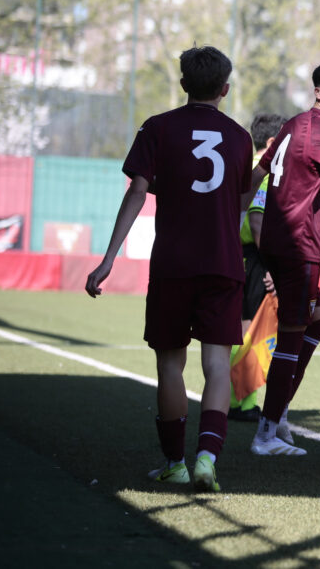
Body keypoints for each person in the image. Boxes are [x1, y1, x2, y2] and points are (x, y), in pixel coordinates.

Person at [85, 46, 252, 493]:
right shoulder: (239, 137)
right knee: (217, 365)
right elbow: (237, 204)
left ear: (183, 85)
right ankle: (207, 460)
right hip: (223, 263)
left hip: (174, 264)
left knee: (170, 365)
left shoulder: (157, 128)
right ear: (225, 89)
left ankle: (175, 462)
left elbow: (137, 192)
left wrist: (108, 258)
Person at [249, 62, 320, 456]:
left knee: (317, 322)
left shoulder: (292, 124)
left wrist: (235, 216)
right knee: (293, 335)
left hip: (278, 241)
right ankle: (266, 432)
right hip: (299, 245)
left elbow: (258, 174)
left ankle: (277, 414)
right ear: (317, 90)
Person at [230, 113, 288, 421]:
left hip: (237, 254)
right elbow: (257, 221)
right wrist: (272, 266)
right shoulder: (264, 172)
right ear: (271, 143)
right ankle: (243, 401)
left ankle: (234, 399)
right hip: (253, 257)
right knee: (250, 327)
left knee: (240, 327)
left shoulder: (245, 165)